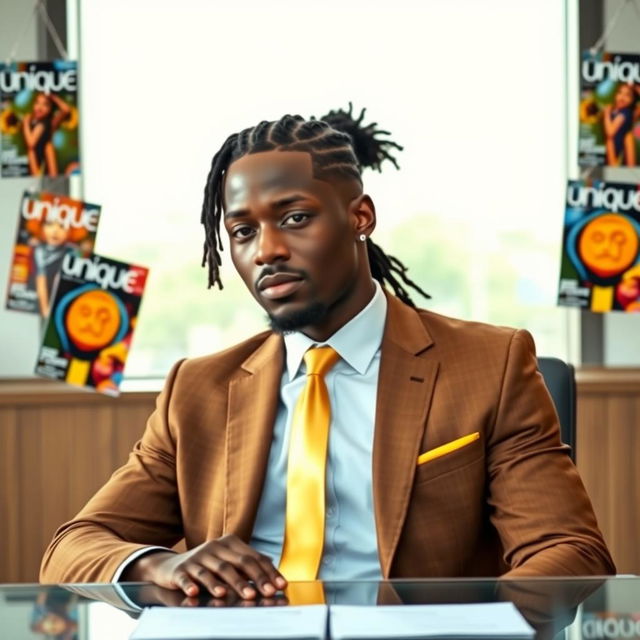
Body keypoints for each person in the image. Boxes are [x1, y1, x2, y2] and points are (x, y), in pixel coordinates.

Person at [40, 105, 615, 601]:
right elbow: (74, 548)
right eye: (241, 232)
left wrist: (477, 625)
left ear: (359, 217)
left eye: (294, 218)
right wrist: (159, 563)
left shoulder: (491, 365)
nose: (266, 251)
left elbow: (568, 552)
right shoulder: (198, 388)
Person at [21, 92, 71, 177]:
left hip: (45, 162)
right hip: (35, 164)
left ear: (50, 109)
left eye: (45, 105)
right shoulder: (31, 121)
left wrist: (53, 97)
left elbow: (31, 143)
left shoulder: (48, 123)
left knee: (42, 148)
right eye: (37, 103)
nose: (40, 108)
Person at [603, 83, 639, 167]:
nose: (622, 97)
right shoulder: (617, 111)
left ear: (632, 100)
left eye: (627, 95)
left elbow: (610, 132)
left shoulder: (625, 112)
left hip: (617, 152)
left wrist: (606, 114)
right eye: (620, 93)